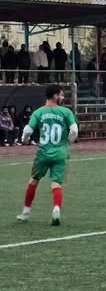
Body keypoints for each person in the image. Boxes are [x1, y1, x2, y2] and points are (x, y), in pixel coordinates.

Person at [17, 84, 79, 226]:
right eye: (62, 95)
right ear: (56, 96)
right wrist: (67, 142)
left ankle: (26, 212)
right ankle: (56, 208)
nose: (63, 97)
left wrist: (24, 140)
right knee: (56, 183)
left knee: (33, 181)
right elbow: (74, 131)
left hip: (43, 153)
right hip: (60, 153)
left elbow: (27, 130)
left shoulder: (38, 112)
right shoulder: (66, 112)